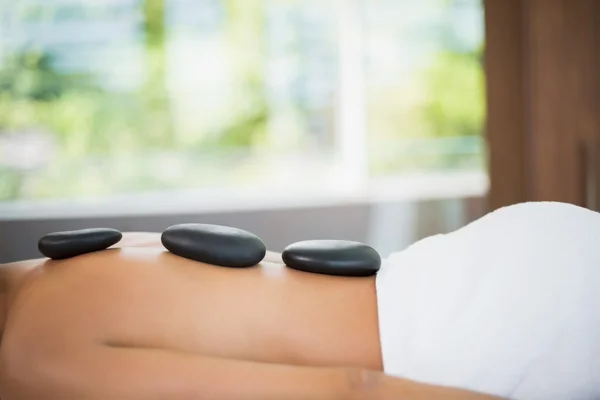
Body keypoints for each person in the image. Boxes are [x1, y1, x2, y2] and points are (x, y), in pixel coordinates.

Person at [0, 202, 598, 399]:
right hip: (502, 259)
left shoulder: (33, 354)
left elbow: (347, 389)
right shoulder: (48, 271)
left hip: (480, 340)